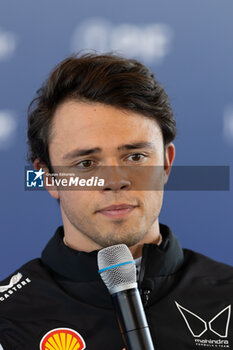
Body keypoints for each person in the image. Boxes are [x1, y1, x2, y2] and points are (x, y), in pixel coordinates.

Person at [0, 53, 232, 350]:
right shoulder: (8, 318)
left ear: (165, 164)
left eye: (135, 157)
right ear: (49, 179)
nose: (114, 181)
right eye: (86, 163)